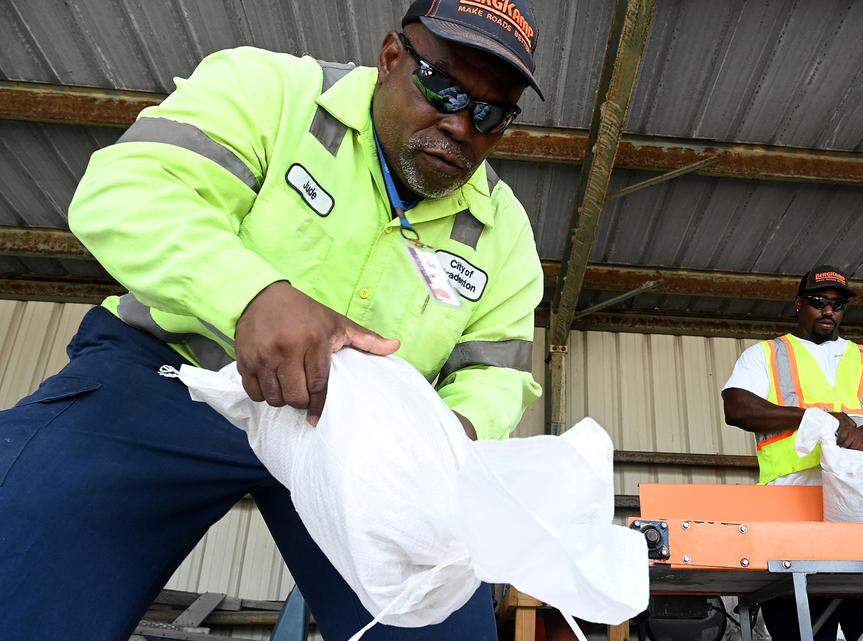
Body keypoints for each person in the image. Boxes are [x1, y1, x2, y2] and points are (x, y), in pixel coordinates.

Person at [0, 1, 545, 639]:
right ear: (391, 57)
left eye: (490, 112)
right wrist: (251, 295)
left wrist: (445, 438)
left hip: (356, 449)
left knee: (437, 617)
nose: (460, 125)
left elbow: (496, 375)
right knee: (26, 549)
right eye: (444, 85)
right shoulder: (273, 93)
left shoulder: (502, 233)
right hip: (171, 375)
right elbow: (129, 189)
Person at [721, 265, 863, 641]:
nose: (829, 310)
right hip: (791, 512)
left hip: (861, 510)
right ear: (799, 303)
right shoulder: (766, 355)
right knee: (802, 631)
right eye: (818, 301)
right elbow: (738, 407)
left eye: (838, 304)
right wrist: (814, 418)